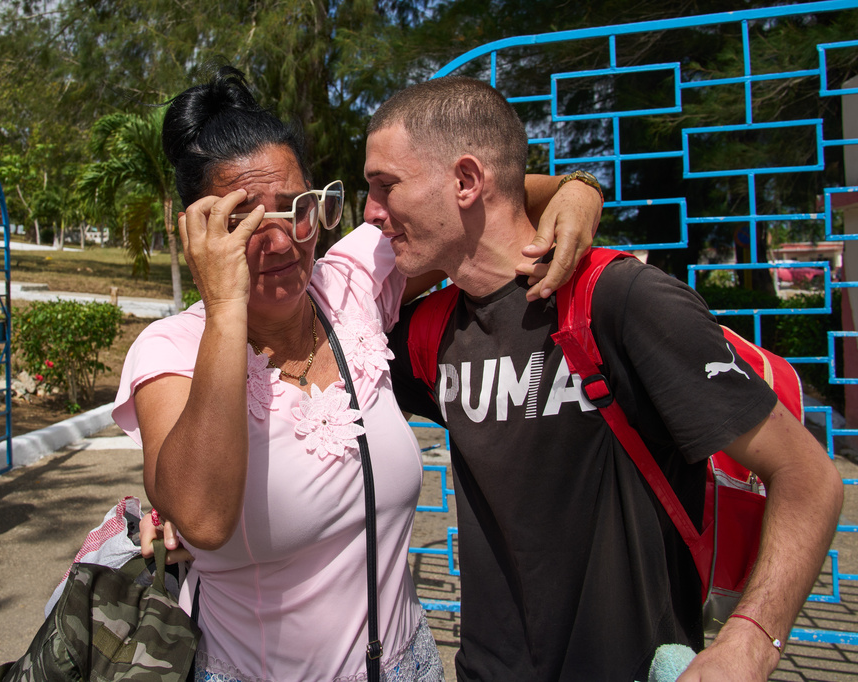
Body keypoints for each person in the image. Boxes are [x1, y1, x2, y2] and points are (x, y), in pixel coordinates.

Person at [113, 65, 601, 682]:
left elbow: (477, 198)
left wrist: (579, 190)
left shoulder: (350, 281)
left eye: (299, 208)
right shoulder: (172, 349)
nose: (286, 239)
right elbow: (203, 520)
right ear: (199, 230)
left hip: (409, 664)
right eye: (245, 221)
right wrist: (225, 305)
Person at [369, 76, 844, 681]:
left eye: (386, 186)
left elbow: (809, 475)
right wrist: (572, 186)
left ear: (465, 181)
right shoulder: (428, 333)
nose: (370, 212)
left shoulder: (620, 301)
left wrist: (750, 642)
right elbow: (329, 306)